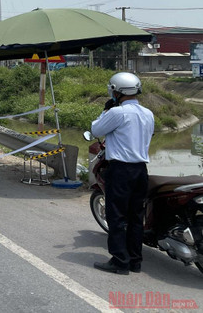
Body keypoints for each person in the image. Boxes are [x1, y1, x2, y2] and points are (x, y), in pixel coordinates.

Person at [90, 72, 154, 275]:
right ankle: (135, 261)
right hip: (141, 170)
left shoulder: (117, 113)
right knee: (136, 217)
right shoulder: (148, 113)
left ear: (116, 92)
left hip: (121, 170)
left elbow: (95, 129)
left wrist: (105, 110)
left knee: (116, 216)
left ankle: (119, 261)